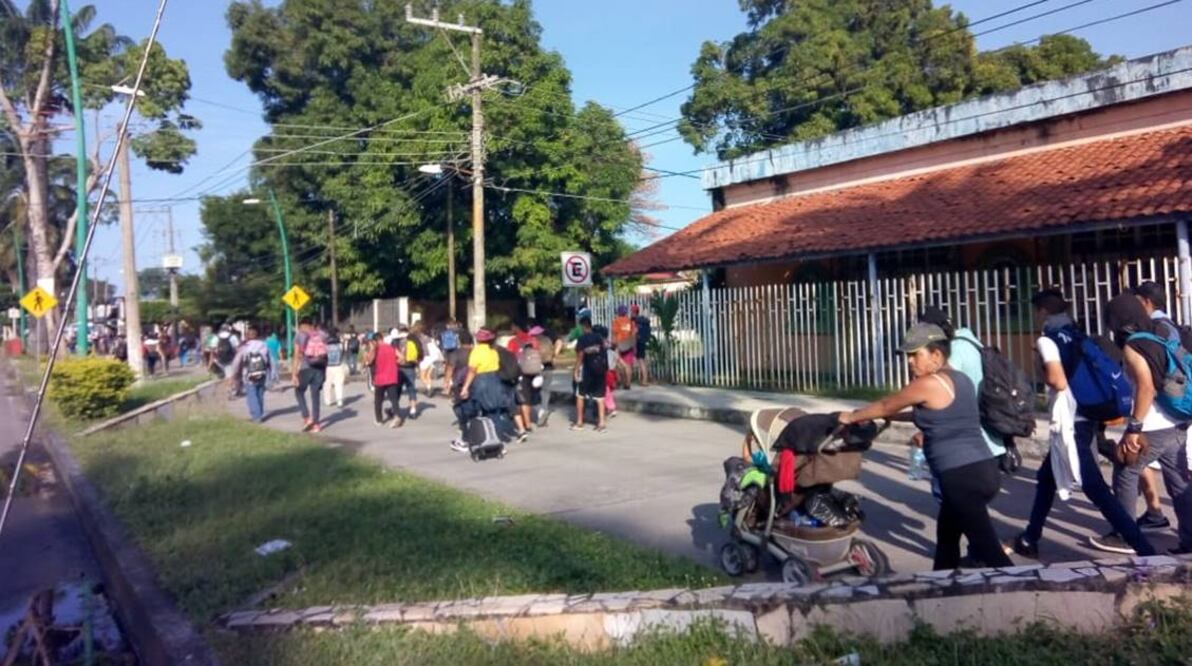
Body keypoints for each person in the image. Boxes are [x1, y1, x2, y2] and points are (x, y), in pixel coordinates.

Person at [840, 322, 1011, 570]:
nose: (909, 361)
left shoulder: (930, 383)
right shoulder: (960, 380)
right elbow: (937, 415)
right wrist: (891, 418)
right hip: (982, 470)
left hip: (962, 478)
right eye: (907, 355)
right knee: (947, 539)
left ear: (936, 355)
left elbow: (888, 403)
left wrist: (851, 417)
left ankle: (1038, 593)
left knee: (991, 553)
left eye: (915, 354)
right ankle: (941, 590)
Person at [1011, 290, 1158, 558]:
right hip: (1086, 418)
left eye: (1035, 312)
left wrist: (1043, 367)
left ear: (1042, 312)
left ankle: (1146, 550)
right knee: (1046, 480)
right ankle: (1030, 537)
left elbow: (1057, 380)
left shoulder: (1048, 340)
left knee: (1095, 489)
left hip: (1072, 425)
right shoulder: (1076, 334)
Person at [1095, 293, 1191, 555]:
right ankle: (1190, 540)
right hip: (1177, 421)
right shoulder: (1160, 336)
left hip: (1152, 424)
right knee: (1179, 482)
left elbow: (1146, 388)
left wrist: (1134, 428)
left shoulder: (1134, 346)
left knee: (1125, 471)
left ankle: (1125, 536)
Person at [1132, 282, 1181, 532]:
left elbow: (1154, 377)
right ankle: (1155, 514)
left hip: (1165, 411)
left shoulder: (1156, 329)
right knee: (1176, 473)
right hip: (1174, 410)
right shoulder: (1171, 327)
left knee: (1129, 467)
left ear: (1145, 302)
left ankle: (1124, 532)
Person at [460, 328, 517, 439]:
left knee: (473, 409)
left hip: (481, 380)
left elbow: (472, 371)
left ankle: (472, 436)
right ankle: (497, 436)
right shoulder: (493, 352)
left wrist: (465, 387)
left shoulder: (476, 351)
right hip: (495, 380)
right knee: (494, 411)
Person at [571, 317, 608, 433]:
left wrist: (576, 371)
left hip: (587, 371)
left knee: (580, 396)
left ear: (583, 326)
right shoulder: (599, 337)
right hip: (600, 371)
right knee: (600, 397)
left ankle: (580, 422)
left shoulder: (582, 339)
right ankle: (601, 423)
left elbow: (580, 356)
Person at [227, 325, 271, 423]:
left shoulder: (244, 347)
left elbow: (236, 362)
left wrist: (233, 375)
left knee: (252, 395)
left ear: (247, 336)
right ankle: (260, 413)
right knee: (260, 393)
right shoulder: (264, 345)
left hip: (249, 374)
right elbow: (270, 360)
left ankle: (256, 417)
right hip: (262, 373)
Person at [507, 322, 543, 436]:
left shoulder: (513, 341)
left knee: (524, 398)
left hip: (521, 371)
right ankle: (533, 417)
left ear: (517, 326)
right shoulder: (532, 339)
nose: (511, 328)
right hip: (535, 370)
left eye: (512, 326)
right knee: (531, 396)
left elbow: (510, 357)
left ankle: (527, 424)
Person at [292, 318, 328, 432]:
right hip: (320, 368)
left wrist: (294, 374)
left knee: (298, 391)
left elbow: (296, 355)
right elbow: (326, 353)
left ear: (302, 325)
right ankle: (316, 424)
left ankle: (307, 418)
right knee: (315, 396)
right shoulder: (322, 334)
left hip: (306, 368)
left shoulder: (299, 336)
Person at [361, 330, 402, 428]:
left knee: (378, 400)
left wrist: (371, 349)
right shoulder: (391, 347)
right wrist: (394, 363)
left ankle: (379, 420)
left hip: (380, 378)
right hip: (392, 376)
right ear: (382, 339)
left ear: (374, 341)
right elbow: (402, 357)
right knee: (394, 399)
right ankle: (396, 416)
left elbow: (369, 361)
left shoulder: (376, 349)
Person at [397, 324, 423, 419]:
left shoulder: (396, 340)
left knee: (397, 389)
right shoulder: (413, 339)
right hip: (410, 367)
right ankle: (413, 410)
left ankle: (395, 409)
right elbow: (420, 353)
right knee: (411, 388)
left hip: (399, 367)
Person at [610, 305, 637, 389]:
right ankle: (628, 383)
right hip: (628, 345)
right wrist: (634, 345)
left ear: (618, 312)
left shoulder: (616, 321)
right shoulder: (630, 322)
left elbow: (614, 334)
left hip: (619, 345)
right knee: (628, 365)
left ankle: (619, 381)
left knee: (617, 364)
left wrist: (613, 345)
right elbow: (633, 334)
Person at [322, 328, 348, 408]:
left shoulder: (325, 344)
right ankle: (339, 401)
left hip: (328, 366)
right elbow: (344, 352)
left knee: (327, 384)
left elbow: (323, 355)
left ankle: (327, 401)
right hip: (338, 365)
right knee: (338, 384)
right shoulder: (340, 344)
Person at [439, 319, 464, 395]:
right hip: (460, 353)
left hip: (449, 353)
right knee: (458, 371)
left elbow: (441, 345)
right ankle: (455, 386)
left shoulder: (444, 333)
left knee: (448, 371)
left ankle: (446, 388)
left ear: (447, 325)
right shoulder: (461, 332)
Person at [631, 304, 651, 386]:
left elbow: (635, 333)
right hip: (643, 342)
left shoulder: (635, 321)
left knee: (641, 361)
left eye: (631, 311)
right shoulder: (643, 321)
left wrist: (634, 346)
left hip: (638, 342)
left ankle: (644, 381)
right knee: (642, 360)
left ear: (633, 312)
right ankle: (644, 379)